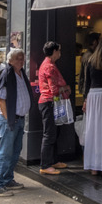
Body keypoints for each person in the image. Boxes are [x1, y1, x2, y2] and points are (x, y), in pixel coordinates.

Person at [0, 49, 34, 197]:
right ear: (10, 61)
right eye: (18, 59)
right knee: (4, 152)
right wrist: (10, 120)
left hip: (19, 119)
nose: (21, 61)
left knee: (15, 152)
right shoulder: (7, 74)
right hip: (11, 120)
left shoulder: (20, 73)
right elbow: (1, 100)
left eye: (22, 58)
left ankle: (8, 179)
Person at [37, 41, 70, 175]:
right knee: (49, 133)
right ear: (54, 51)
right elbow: (54, 90)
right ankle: (45, 164)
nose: (60, 53)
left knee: (54, 132)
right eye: (59, 50)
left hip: (51, 102)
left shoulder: (49, 65)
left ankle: (53, 160)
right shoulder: (49, 67)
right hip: (49, 102)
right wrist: (66, 88)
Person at [82, 36, 102, 175]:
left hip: (92, 95)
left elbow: (87, 82)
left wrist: (85, 100)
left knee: (92, 131)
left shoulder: (91, 60)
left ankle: (93, 166)